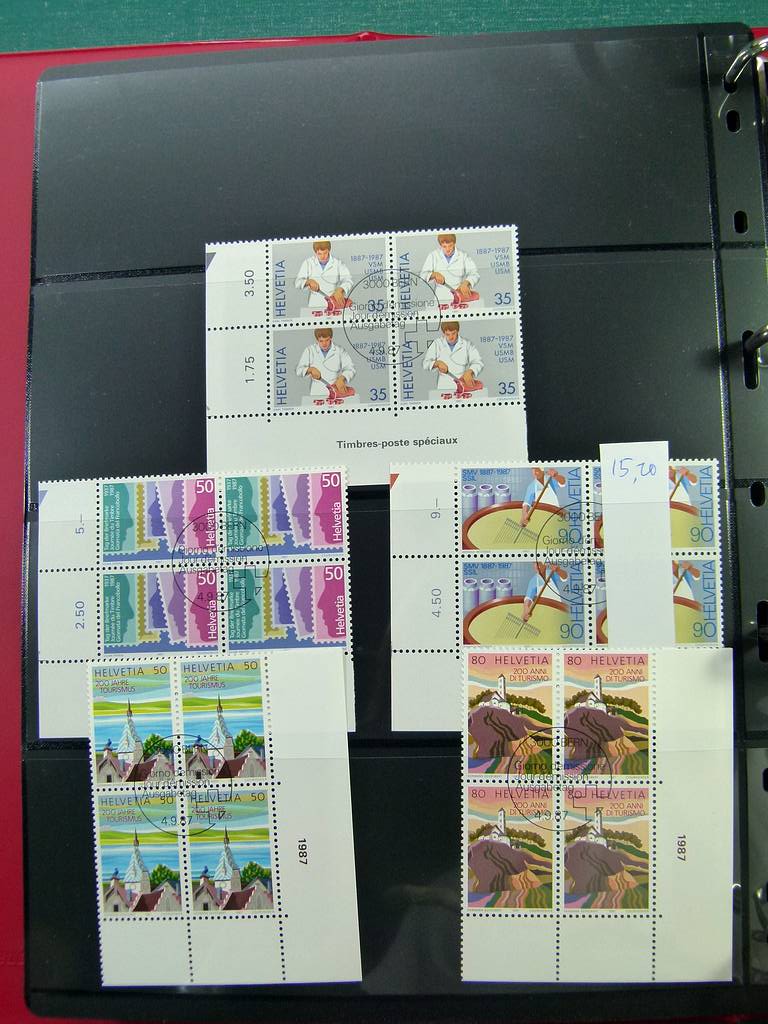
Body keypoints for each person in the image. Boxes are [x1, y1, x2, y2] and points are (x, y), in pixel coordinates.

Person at [419, 232, 479, 306]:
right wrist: (434, 274)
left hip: (460, 295)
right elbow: (422, 276)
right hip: (441, 297)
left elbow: (475, 274)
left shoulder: (463, 255)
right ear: (440, 245)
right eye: (444, 246)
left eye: (450, 246)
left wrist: (466, 282)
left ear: (454, 243)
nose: (447, 249)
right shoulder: (433, 255)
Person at [422, 321, 483, 391]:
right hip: (444, 386)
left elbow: (478, 362)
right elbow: (425, 363)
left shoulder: (467, 344)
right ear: (444, 333)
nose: (451, 337)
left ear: (457, 331)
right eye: (447, 334)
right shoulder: (437, 343)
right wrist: (437, 363)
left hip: (463, 385)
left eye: (453, 333)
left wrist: (470, 371)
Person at [295, 327, 356, 397]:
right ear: (317, 339)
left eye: (327, 340)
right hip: (317, 392)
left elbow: (350, 369)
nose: (324, 344)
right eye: (321, 341)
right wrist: (310, 369)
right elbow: (299, 370)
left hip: (336, 391)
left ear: (331, 338)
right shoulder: (310, 350)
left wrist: (342, 378)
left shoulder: (340, 350)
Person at [294, 241, 353, 312]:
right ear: (315, 252)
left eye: (325, 253)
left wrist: (340, 289)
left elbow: (348, 280)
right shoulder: (308, 263)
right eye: (319, 254)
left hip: (334, 302)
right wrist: (308, 281)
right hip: (314, 304)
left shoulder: (338, 263)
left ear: (329, 250)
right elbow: (297, 282)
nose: (322, 256)